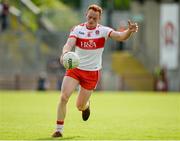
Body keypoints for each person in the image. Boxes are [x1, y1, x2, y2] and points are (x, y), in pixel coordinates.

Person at [52, 4, 138, 137]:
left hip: (92, 73)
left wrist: (129, 31)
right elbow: (68, 44)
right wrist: (64, 54)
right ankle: (59, 130)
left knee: (79, 106)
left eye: (95, 19)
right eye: (90, 17)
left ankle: (86, 105)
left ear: (99, 19)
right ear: (86, 15)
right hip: (75, 69)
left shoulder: (103, 31)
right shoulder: (77, 29)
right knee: (64, 97)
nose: (91, 20)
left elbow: (120, 36)